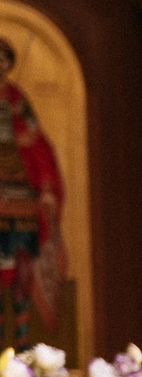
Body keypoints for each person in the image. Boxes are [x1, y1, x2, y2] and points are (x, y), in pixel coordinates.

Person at [0, 37, 66, 347]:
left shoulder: (16, 99)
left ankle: (24, 343)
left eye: (2, 59)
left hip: (19, 191)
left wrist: (47, 187)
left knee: (23, 266)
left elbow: (37, 142)